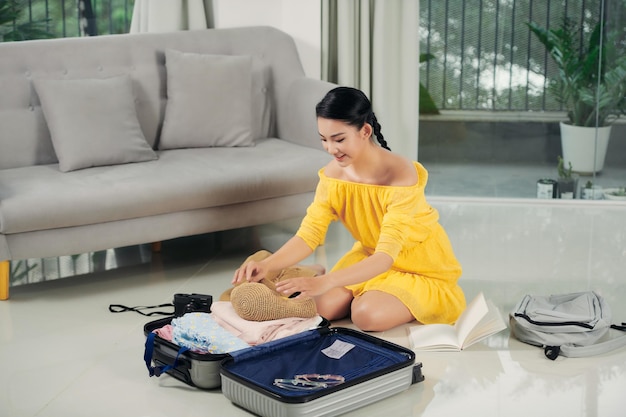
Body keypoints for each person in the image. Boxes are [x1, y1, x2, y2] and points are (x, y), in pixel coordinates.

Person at [232, 86, 466, 332]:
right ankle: (309, 273)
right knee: (323, 308)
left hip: (418, 267)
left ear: (365, 131)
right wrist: (269, 265)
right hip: (368, 257)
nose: (331, 149)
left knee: (366, 316)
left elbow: (386, 257)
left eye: (339, 139)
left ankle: (355, 290)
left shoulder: (401, 175)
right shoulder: (333, 176)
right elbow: (309, 234)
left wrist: (328, 281)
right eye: (324, 139)